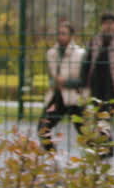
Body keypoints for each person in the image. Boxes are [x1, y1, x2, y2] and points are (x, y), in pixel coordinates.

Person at [80, 12, 114, 159]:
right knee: (99, 116)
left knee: (106, 116)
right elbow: (87, 62)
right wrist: (84, 83)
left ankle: (104, 147)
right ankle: (105, 147)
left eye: (112, 23)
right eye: (106, 23)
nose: (109, 26)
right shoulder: (95, 41)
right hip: (96, 84)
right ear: (102, 25)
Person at [37, 21, 87, 152]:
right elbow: (52, 76)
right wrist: (55, 83)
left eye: (64, 34)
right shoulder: (51, 53)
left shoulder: (80, 54)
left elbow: (84, 80)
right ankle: (52, 155)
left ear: (71, 36)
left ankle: (100, 156)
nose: (60, 37)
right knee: (43, 128)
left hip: (75, 97)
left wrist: (65, 82)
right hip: (57, 96)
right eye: (59, 33)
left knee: (84, 132)